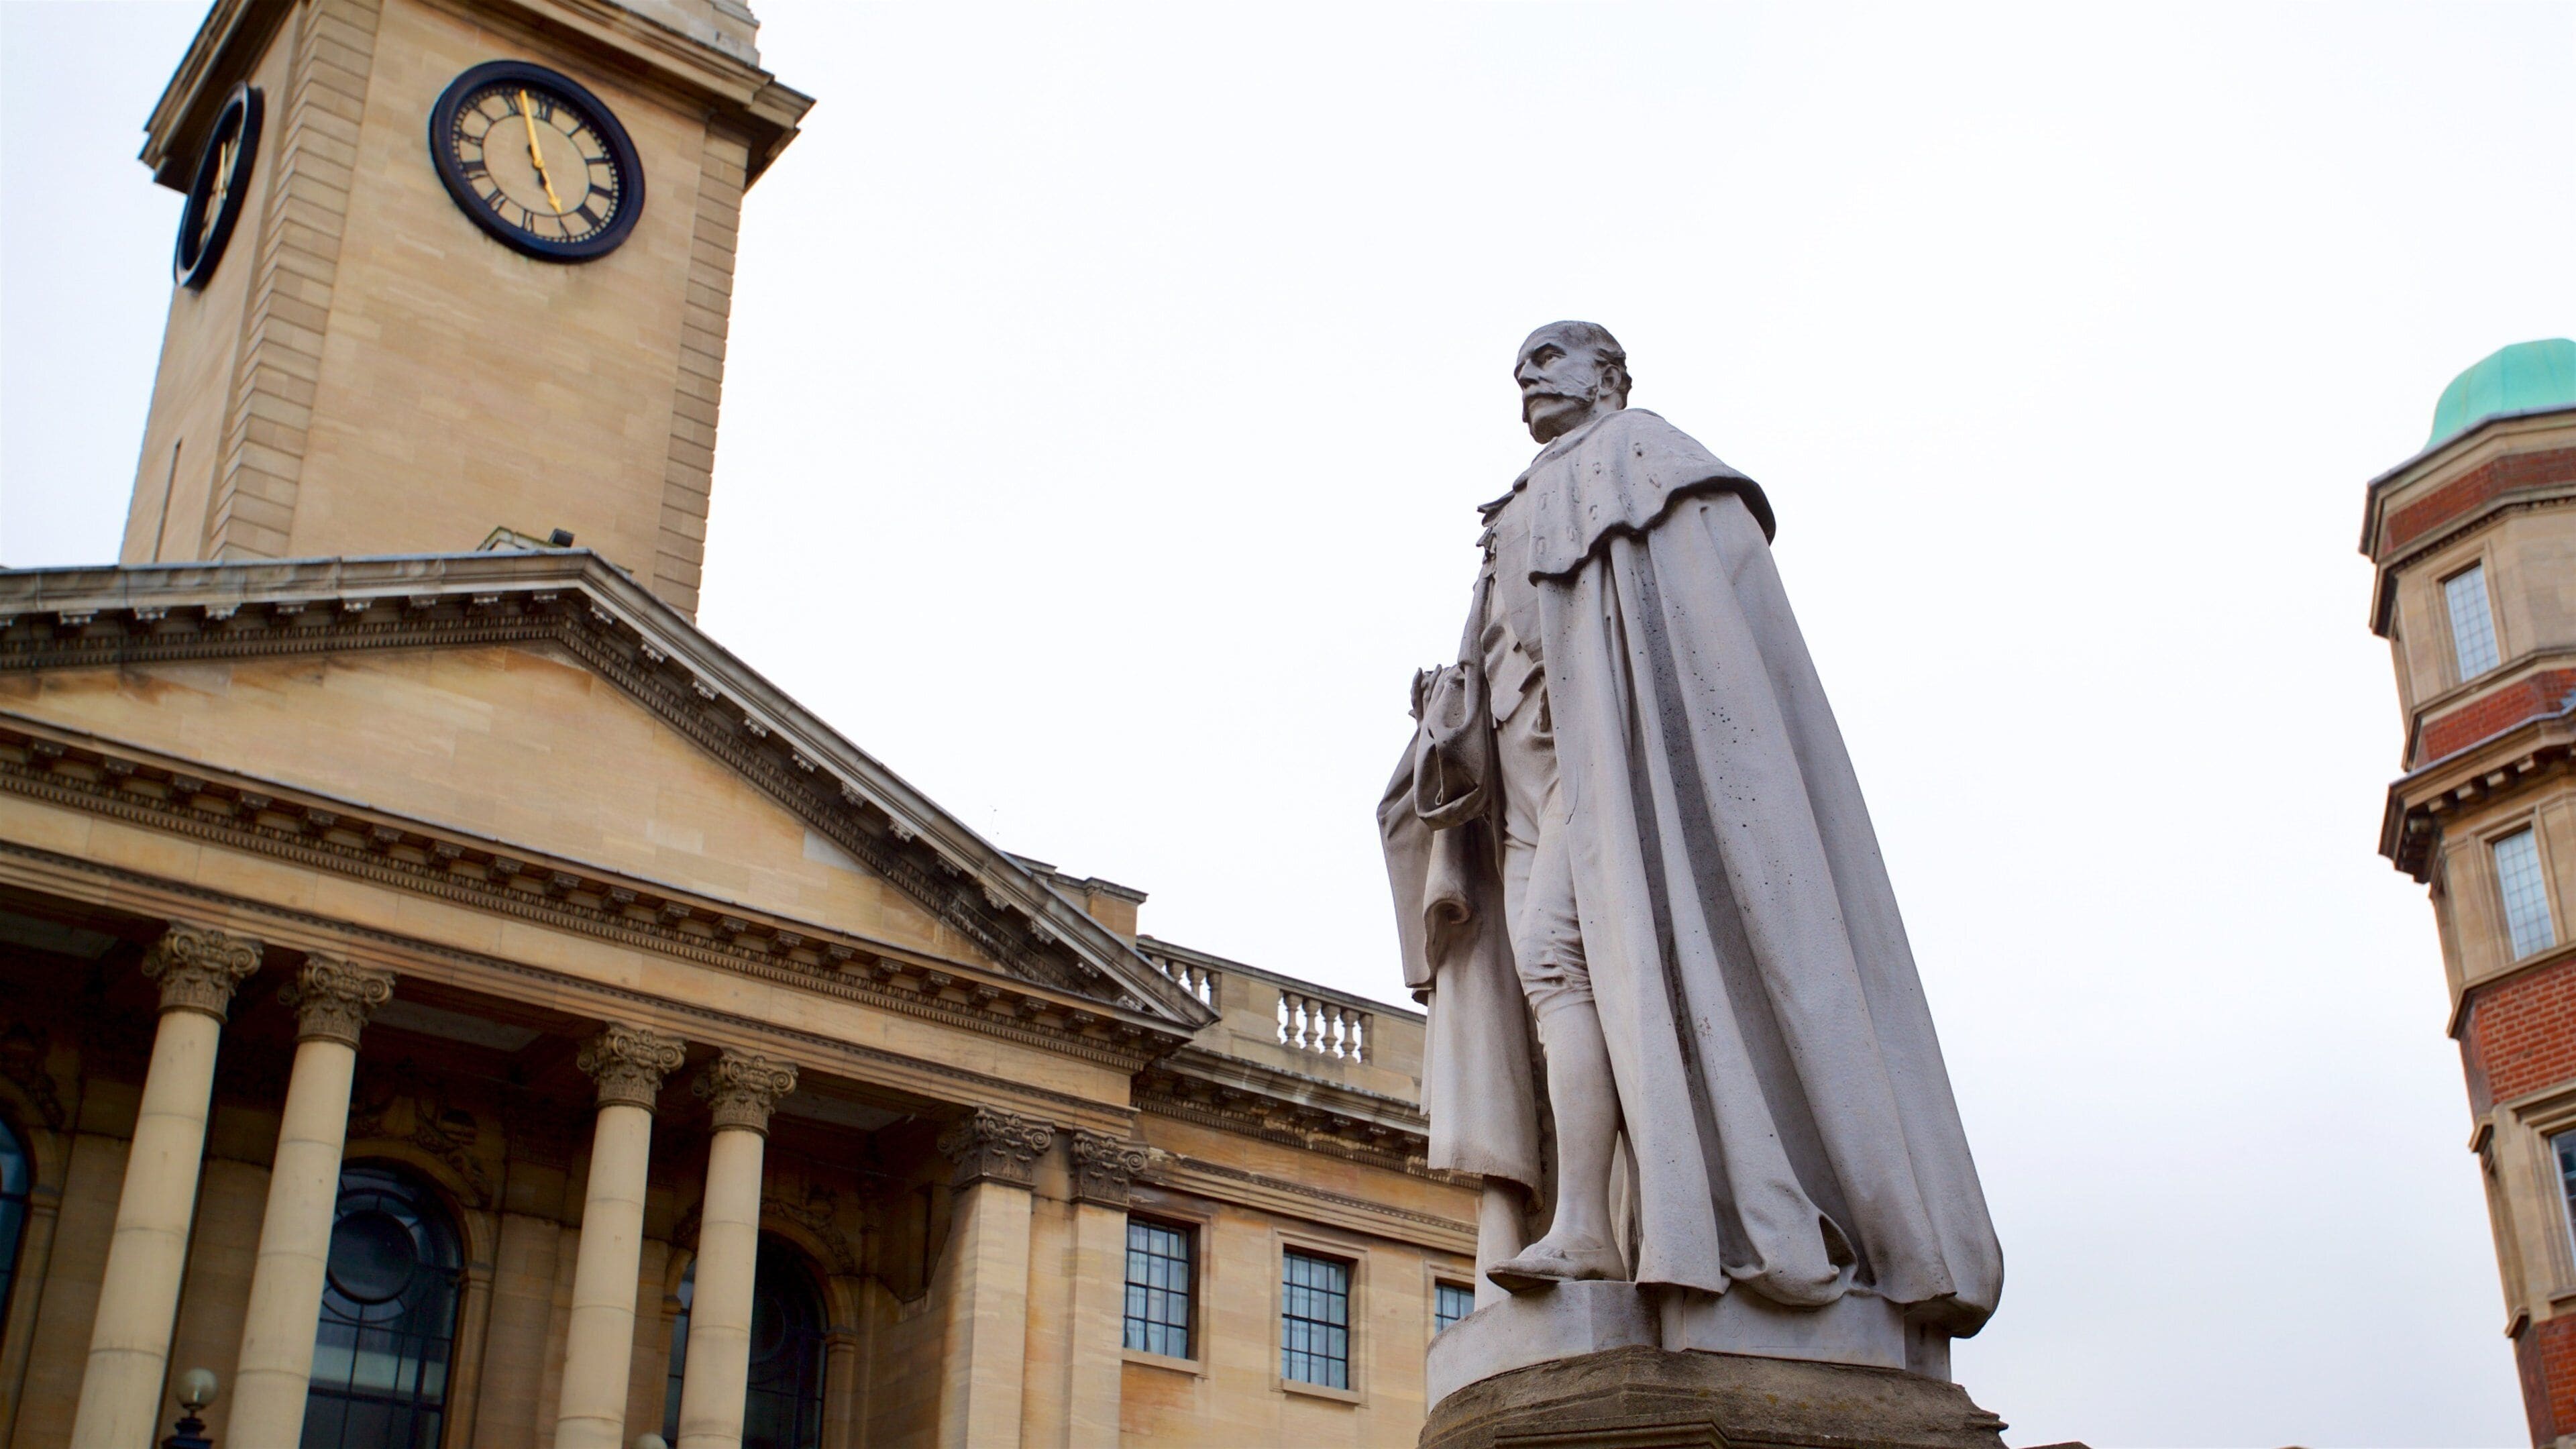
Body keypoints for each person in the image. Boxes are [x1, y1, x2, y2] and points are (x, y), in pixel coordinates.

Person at [1381, 323, 2002, 1337]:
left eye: (1550, 359)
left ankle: (1591, 1218)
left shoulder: (1645, 460)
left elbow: (1701, 644)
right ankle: (1588, 1217)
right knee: (1548, 980)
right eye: (1519, 368)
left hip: (1610, 780)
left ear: (1609, 376)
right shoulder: (1518, 506)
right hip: (1527, 798)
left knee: (1561, 964)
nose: (1528, 378)